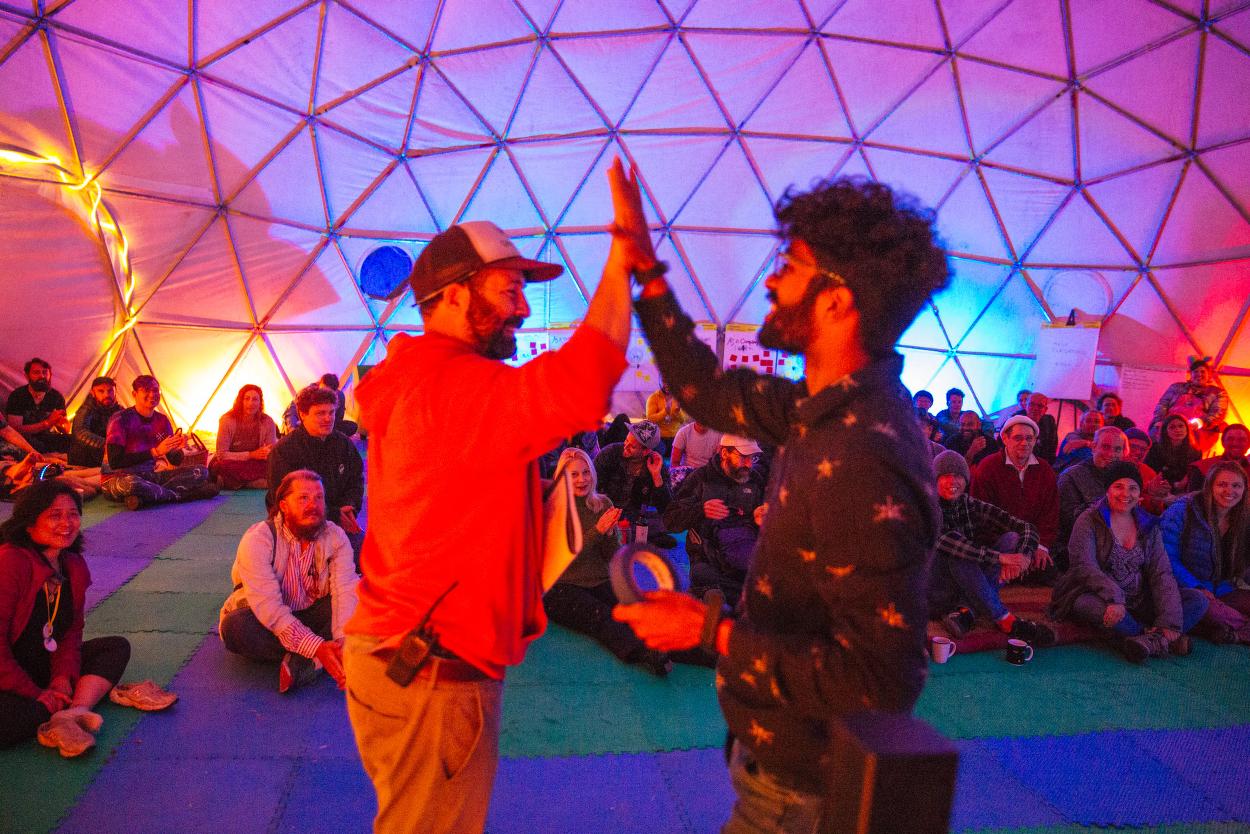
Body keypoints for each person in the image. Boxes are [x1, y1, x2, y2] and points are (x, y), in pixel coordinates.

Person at [614, 174, 948, 831]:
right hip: (775, 768)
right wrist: (646, 268)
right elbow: (706, 388)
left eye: (787, 266)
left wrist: (707, 631)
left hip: (804, 797)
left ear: (836, 302)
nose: (770, 282)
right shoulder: (818, 411)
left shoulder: (866, 459)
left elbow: (881, 683)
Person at [342, 161, 634, 834]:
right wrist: (624, 260)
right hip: (434, 676)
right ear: (450, 295)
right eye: (508, 289)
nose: (525, 307)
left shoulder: (413, 378)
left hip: (399, 655)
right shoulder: (456, 389)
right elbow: (581, 380)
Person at [0, 481, 131, 755]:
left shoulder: (72, 565)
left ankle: (73, 713)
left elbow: (71, 633)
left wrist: (62, 677)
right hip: (8, 676)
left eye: (73, 514)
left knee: (116, 647)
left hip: (42, 666)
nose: (67, 523)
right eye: (54, 515)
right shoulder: (10, 563)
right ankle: (51, 709)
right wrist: (35, 694)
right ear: (29, 523)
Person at [1051, 461, 1207, 661]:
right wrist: (1114, 598)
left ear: (1139, 493)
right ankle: (1150, 637)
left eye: (1133, 488)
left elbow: (1161, 573)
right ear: (1107, 490)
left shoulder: (1148, 525)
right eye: (1118, 487)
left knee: (1198, 600)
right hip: (1100, 596)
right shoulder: (1089, 519)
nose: (1126, 494)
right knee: (1085, 605)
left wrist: (1170, 620)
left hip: (1139, 599)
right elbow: (1084, 566)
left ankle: (1145, 641)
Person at [219, 470, 358, 692]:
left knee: (361, 596)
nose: (313, 505)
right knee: (235, 628)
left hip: (312, 610)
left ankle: (311, 659)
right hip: (265, 617)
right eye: (303, 498)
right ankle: (316, 656)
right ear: (283, 505)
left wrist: (343, 643)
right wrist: (317, 646)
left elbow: (344, 588)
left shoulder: (335, 536)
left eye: (319, 498)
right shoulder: (258, 539)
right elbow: (269, 608)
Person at [541, 448, 670, 676]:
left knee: (634, 609)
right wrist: (597, 531)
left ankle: (691, 648)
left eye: (585, 473)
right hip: (562, 586)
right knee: (601, 616)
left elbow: (614, 556)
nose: (582, 479)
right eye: (573, 475)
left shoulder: (602, 504)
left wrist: (610, 536)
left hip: (599, 579)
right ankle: (644, 653)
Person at [928, 451, 1056, 645]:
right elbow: (949, 542)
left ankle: (966, 611)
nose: (952, 481)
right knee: (959, 551)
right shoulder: (926, 508)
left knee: (1012, 538)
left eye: (958, 476)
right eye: (945, 476)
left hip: (967, 583)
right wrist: (1000, 558)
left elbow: (1026, 527)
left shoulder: (970, 505)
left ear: (966, 479)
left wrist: (1024, 557)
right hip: (935, 589)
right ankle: (1005, 619)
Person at [663, 434, 768, 607]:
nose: (749, 464)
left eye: (752, 458)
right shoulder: (701, 478)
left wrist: (761, 517)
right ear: (725, 453)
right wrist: (701, 510)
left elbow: (764, 514)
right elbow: (670, 520)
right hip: (708, 557)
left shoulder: (754, 479)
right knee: (703, 577)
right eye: (743, 457)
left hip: (746, 554)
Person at [1160, 462, 1250, 644]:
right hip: (1188, 590)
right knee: (1210, 610)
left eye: (1236, 486)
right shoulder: (1184, 510)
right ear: (1210, 486)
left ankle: (1221, 630)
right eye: (1222, 484)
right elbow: (1165, 557)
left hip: (1224, 589)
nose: (1229, 491)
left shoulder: (1243, 517)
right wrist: (1196, 585)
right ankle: (1236, 629)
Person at [267, 385, 363, 548]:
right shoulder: (284, 450)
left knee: (368, 560)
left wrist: (350, 507)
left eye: (331, 412)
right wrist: (334, 514)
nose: (328, 418)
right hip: (297, 525)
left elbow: (356, 480)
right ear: (303, 415)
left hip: (339, 521)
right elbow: (285, 500)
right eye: (320, 413)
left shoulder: (343, 444)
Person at [100, 376, 216, 511]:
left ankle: (146, 497)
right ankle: (186, 496)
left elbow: (174, 461)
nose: (152, 395)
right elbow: (115, 462)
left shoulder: (162, 420)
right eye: (147, 390)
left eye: (156, 391)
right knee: (133, 484)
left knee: (201, 471)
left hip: (149, 477)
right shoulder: (120, 419)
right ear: (134, 394)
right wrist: (155, 452)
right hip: (117, 479)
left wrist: (178, 449)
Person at [970, 414, 1059, 580]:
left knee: (1049, 573)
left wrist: (1041, 546)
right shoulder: (988, 467)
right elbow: (980, 516)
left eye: (1029, 438)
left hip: (1033, 543)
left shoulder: (1045, 470)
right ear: (1005, 438)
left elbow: (1050, 514)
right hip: (999, 544)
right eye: (1018, 438)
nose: (1024, 443)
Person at [1056, 427, 1129, 572]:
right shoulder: (1072, 477)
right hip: (1078, 548)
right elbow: (1070, 522)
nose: (1111, 454)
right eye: (1105, 447)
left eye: (1117, 449)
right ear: (1094, 447)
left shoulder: (1125, 478)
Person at [594, 420, 675, 546]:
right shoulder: (610, 453)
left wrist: (656, 475)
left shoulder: (656, 464)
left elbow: (666, 508)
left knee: (669, 522)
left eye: (632, 446)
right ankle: (638, 537)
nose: (625, 446)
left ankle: (630, 535)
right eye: (626, 441)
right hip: (606, 510)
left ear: (645, 452)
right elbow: (593, 487)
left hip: (634, 516)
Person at [1149, 356, 1228, 452]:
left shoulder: (1218, 393)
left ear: (1209, 375)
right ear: (1191, 374)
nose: (1199, 374)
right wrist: (1159, 420)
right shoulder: (1176, 387)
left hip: (1199, 432)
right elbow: (1162, 404)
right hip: (1171, 425)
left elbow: (1218, 414)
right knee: (1155, 442)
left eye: (1202, 371)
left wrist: (1200, 422)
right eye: (1195, 372)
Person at [212, 384, 278, 490]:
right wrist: (251, 455)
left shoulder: (267, 421)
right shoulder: (227, 420)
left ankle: (236, 483)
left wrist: (266, 453)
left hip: (255, 464)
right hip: (233, 462)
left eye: (255, 399)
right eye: (247, 399)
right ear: (240, 401)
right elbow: (221, 454)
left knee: (275, 466)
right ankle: (253, 483)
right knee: (219, 466)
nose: (251, 403)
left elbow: (273, 452)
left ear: (260, 402)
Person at [5, 358, 71, 455]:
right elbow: (14, 429)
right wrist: (47, 423)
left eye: (45, 372)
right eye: (36, 373)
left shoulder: (56, 397)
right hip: (24, 439)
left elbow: (65, 429)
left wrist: (62, 425)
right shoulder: (17, 396)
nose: (41, 376)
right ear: (27, 376)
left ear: (50, 375)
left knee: (72, 440)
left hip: (47, 438)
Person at [67, 377, 121, 468]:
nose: (106, 395)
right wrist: (108, 445)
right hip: (85, 459)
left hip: (107, 457)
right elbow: (81, 433)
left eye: (110, 391)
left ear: (115, 391)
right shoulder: (86, 409)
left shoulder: (120, 411)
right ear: (93, 392)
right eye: (101, 391)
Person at [282, 373, 357, 437]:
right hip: (308, 425)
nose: (325, 395)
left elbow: (338, 419)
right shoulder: (307, 393)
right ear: (319, 385)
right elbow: (291, 412)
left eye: (329, 393)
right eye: (323, 391)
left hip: (329, 426)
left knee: (352, 426)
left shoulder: (340, 396)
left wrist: (328, 421)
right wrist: (292, 429)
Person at [1185, 423, 1250, 493]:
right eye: (1230, 439)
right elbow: (1192, 500)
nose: (1235, 443)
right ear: (1223, 442)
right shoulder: (1202, 468)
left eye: (1241, 440)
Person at [1145, 413, 1202, 493]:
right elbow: (1150, 473)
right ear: (1166, 431)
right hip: (1159, 489)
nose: (1178, 430)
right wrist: (1174, 485)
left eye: (1181, 426)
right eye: (1172, 427)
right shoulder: (1156, 449)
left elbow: (1193, 477)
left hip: (1184, 492)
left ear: (1187, 429)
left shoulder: (1196, 452)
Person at [646, 384, 685, 455]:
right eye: (664, 381)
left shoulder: (680, 398)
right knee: (659, 452)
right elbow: (650, 419)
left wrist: (678, 412)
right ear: (660, 381)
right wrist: (665, 412)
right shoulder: (654, 397)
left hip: (675, 437)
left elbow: (683, 420)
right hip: (658, 438)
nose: (667, 384)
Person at [1023, 391, 1059, 462]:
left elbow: (1052, 449)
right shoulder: (1015, 421)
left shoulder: (1049, 422)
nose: (1035, 408)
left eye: (1040, 406)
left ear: (1045, 410)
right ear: (1025, 406)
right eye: (1032, 404)